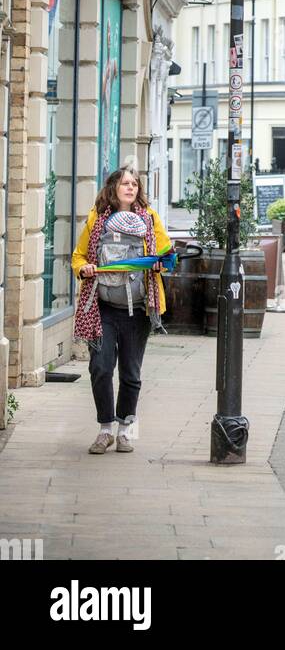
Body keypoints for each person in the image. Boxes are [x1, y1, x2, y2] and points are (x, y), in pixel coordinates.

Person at [72, 166, 170, 455]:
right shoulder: (97, 219)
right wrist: (85, 268)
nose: (130, 188)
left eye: (135, 184)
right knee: (101, 368)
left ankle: (125, 430)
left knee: (131, 373)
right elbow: (78, 257)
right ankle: (105, 430)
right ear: (113, 187)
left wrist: (159, 262)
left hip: (138, 310)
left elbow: (165, 253)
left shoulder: (150, 219)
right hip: (103, 308)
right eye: (125, 183)